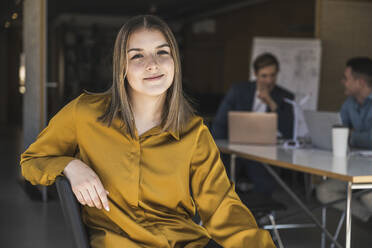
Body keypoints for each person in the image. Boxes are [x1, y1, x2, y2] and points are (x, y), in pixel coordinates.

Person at [20, 15, 275, 248]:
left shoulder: (194, 133)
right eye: (137, 56)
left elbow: (223, 208)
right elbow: (32, 162)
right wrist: (71, 166)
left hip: (185, 242)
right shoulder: (84, 113)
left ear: (174, 61)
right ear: (122, 66)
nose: (153, 64)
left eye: (161, 52)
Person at [211, 53, 294, 195]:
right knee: (218, 178)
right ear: (255, 74)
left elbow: (289, 131)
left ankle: (259, 214)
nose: (269, 81)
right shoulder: (238, 91)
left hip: (265, 154)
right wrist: (216, 150)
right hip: (234, 149)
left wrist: (272, 103)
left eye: (273, 75)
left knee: (263, 182)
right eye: (264, 76)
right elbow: (220, 122)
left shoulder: (285, 97)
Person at [316, 57, 372, 222]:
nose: (342, 82)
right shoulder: (349, 104)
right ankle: (368, 220)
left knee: (368, 197)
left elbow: (348, 136)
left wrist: (350, 135)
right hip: (355, 169)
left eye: (346, 78)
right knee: (324, 191)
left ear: (360, 82)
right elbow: (338, 131)